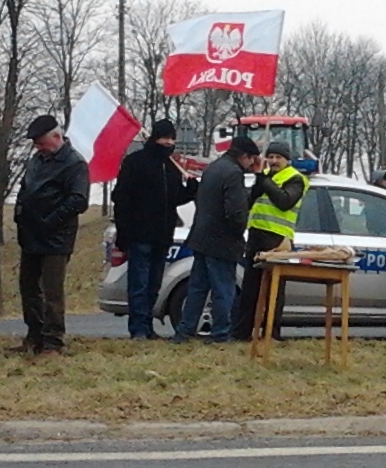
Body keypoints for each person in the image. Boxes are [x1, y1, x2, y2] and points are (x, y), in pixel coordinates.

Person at [12, 114, 90, 354]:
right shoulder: (36, 161)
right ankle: (34, 334)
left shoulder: (74, 164)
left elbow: (78, 200)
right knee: (28, 287)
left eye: (41, 143)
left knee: (51, 291)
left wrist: (50, 221)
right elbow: (25, 189)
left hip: (56, 237)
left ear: (56, 137)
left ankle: (53, 340)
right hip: (31, 234)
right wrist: (20, 213)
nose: (38, 147)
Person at [113, 118, 196, 340]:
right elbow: (121, 198)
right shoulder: (135, 162)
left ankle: (147, 326)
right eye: (165, 138)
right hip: (139, 234)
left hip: (163, 235)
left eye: (172, 139)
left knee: (153, 285)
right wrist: (123, 232)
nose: (169, 143)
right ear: (155, 138)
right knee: (139, 285)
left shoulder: (171, 166)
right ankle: (138, 329)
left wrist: (191, 189)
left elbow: (174, 198)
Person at [174, 136, 258, 341]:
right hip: (222, 241)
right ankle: (220, 333)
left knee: (197, 288)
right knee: (223, 289)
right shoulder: (234, 173)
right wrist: (239, 231)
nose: (252, 164)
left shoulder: (213, 168)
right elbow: (235, 211)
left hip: (201, 237)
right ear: (244, 156)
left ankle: (185, 331)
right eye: (252, 159)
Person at [232, 140, 310, 340]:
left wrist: (264, 180)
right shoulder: (264, 176)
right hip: (256, 236)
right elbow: (250, 202)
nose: (274, 161)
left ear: (287, 160)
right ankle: (242, 332)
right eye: (271, 156)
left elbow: (284, 201)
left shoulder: (295, 178)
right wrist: (260, 181)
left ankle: (271, 333)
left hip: (278, 239)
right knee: (250, 288)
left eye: (278, 157)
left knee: (274, 289)